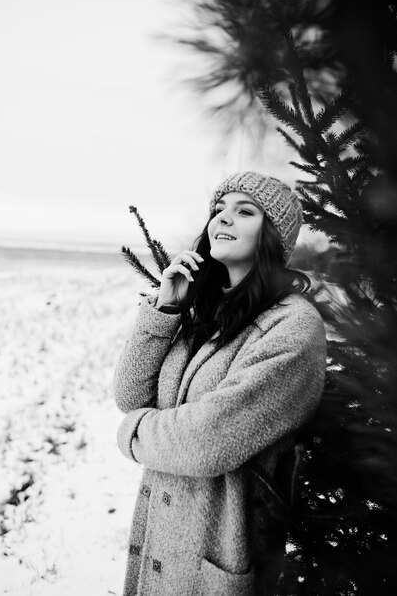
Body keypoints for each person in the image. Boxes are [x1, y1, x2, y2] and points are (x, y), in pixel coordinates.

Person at [113, 170, 327, 596]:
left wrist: (131, 432)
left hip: (213, 558)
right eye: (218, 209)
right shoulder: (206, 313)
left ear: (272, 237)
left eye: (244, 211)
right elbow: (131, 395)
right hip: (160, 540)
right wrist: (167, 308)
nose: (222, 219)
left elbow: (204, 443)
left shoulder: (293, 327)